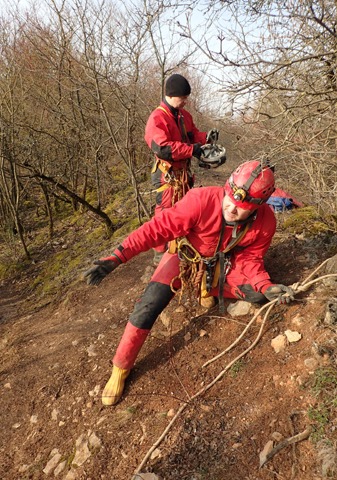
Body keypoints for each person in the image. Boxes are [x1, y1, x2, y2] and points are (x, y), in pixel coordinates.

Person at [84, 160, 295, 406]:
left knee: (257, 295)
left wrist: (265, 285)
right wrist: (117, 257)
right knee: (148, 305)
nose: (231, 208)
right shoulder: (201, 200)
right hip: (184, 256)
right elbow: (155, 230)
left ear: (258, 207)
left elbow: (250, 259)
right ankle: (120, 367)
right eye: (230, 199)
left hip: (222, 261)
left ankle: (207, 287)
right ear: (226, 187)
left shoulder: (265, 221)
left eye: (241, 207)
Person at [144, 73, 219, 264]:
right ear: (171, 94)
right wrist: (191, 150)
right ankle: (160, 254)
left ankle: (180, 246)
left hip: (183, 173)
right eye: (183, 98)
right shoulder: (157, 118)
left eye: (186, 98)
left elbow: (192, 136)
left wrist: (205, 138)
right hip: (167, 174)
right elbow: (163, 148)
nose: (185, 101)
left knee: (185, 210)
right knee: (165, 212)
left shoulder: (184, 116)